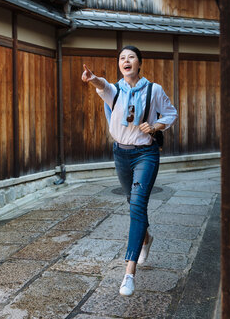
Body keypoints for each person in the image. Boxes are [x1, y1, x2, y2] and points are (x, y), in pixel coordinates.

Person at [81, 45, 178, 296]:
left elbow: (170, 113)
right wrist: (93, 79)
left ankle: (129, 273)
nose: (126, 61)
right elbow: (103, 86)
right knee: (131, 202)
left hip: (145, 154)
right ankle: (146, 239)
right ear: (119, 65)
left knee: (137, 205)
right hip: (121, 154)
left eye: (131, 57)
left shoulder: (153, 89)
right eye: (122, 58)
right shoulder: (115, 90)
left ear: (139, 63)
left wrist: (155, 126)